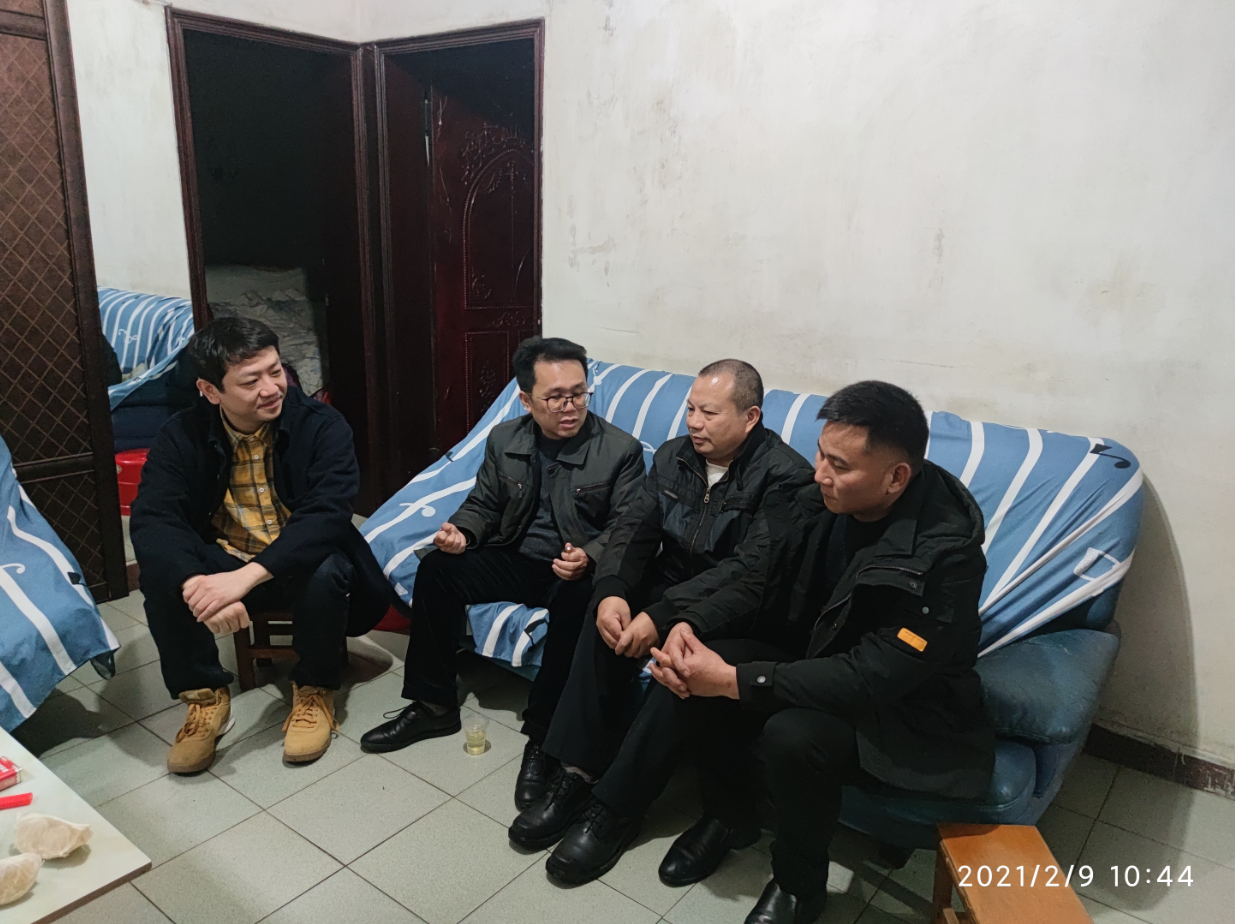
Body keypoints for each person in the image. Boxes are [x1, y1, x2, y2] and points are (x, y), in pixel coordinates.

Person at [648, 381, 996, 924]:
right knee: (698, 665)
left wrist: (737, 681)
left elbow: (873, 676)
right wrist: (690, 622)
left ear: (895, 477)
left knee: (794, 734)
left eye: (840, 465)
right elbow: (757, 575)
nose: (820, 474)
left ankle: (798, 884)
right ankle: (728, 816)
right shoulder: (819, 499)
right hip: (815, 652)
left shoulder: (946, 556)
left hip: (898, 708)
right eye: (820, 454)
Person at [509, 359, 817, 885]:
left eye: (709, 413)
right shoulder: (675, 456)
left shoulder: (786, 479)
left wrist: (664, 615)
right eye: (691, 409)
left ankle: (616, 808)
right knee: (601, 618)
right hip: (672, 587)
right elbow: (634, 531)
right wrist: (613, 591)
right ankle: (576, 772)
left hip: (736, 611)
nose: (694, 422)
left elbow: (753, 574)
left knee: (681, 665)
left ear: (750, 417)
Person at [359, 337, 646, 801]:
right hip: (514, 556)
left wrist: (590, 555)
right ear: (527, 400)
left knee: (581, 603)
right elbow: (484, 504)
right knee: (437, 569)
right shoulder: (505, 438)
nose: (570, 407)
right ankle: (433, 705)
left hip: (571, 570)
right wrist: (462, 532)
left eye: (579, 393)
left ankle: (543, 738)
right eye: (556, 397)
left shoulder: (620, 450)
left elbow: (630, 525)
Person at [131, 317, 391, 774]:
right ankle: (205, 699)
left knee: (326, 568)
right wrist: (196, 584)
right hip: (225, 554)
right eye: (251, 381)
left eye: (276, 371)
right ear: (210, 391)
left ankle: (314, 690)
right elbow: (155, 517)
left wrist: (244, 579)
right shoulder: (181, 434)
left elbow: (327, 514)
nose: (271, 388)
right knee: (163, 572)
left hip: (295, 559)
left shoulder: (321, 425)